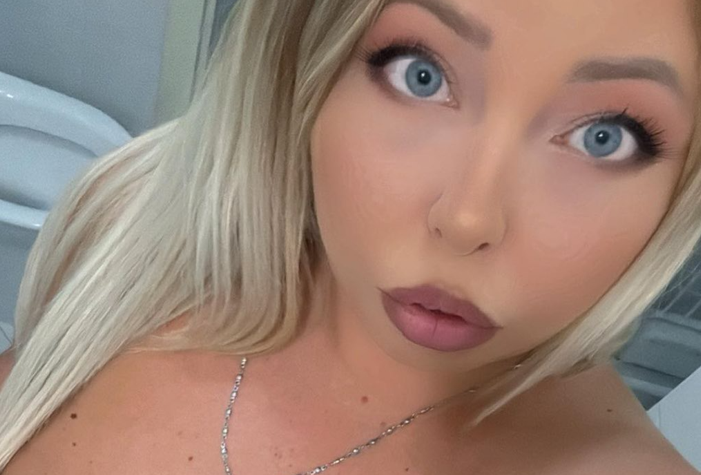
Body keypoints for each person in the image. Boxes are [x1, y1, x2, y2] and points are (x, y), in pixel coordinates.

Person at [1, 0, 700, 473]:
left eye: (604, 137)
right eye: (420, 75)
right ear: (310, 58)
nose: (467, 220)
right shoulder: (132, 216)